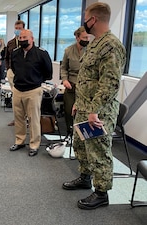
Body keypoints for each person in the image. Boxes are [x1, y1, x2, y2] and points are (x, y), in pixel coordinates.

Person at [62, 2, 126, 210]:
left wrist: (93, 111)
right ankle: (85, 177)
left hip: (98, 112)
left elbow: (109, 83)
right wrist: (79, 105)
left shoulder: (111, 46)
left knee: (98, 150)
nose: (84, 21)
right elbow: (87, 78)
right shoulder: (96, 43)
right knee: (82, 147)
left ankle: (101, 193)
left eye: (86, 17)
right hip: (85, 107)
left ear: (94, 19)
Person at [9, 29, 53, 157]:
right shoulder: (15, 53)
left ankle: (34, 145)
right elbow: (14, 68)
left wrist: (36, 80)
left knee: (33, 119)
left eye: (25, 37)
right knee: (18, 118)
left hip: (33, 91)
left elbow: (48, 73)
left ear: (32, 38)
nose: (22, 40)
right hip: (18, 90)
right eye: (20, 37)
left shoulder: (41, 53)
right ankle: (20, 141)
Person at [60, 26, 89, 140]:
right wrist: (65, 80)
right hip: (71, 84)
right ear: (77, 38)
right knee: (68, 110)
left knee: (83, 112)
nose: (86, 39)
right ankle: (69, 133)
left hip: (86, 86)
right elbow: (63, 68)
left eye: (87, 37)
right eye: (84, 37)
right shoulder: (68, 50)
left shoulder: (91, 50)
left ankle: (81, 136)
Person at [5, 20, 25, 126]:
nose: (17, 30)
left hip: (24, 74)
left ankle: (24, 118)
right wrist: (8, 69)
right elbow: (7, 58)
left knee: (24, 97)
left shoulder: (27, 42)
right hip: (12, 73)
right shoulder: (10, 43)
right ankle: (16, 119)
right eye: (16, 28)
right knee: (15, 97)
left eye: (20, 28)